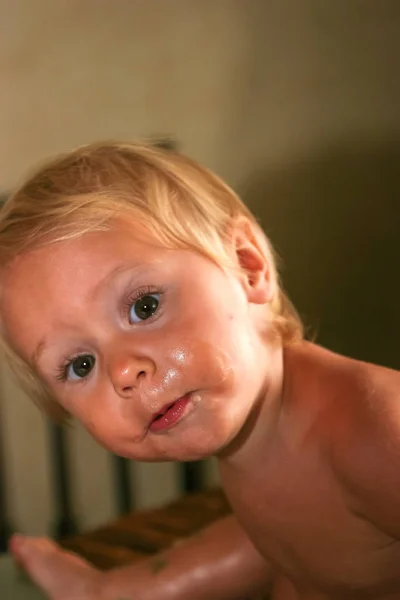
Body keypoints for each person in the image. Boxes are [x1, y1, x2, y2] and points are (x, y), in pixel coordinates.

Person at [0, 142, 399, 600]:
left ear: (247, 266)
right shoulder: (263, 438)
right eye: (80, 365)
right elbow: (281, 536)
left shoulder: (375, 432)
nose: (125, 371)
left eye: (144, 306)